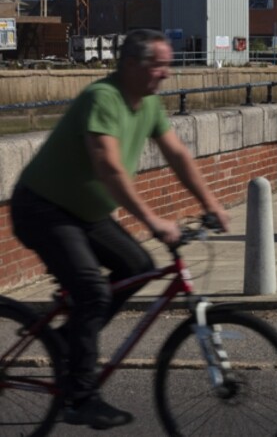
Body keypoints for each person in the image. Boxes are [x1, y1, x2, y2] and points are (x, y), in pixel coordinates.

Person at [10, 29, 231, 430]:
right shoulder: (103, 98)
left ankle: (68, 338)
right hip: (43, 209)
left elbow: (177, 153)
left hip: (86, 215)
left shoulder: (147, 105)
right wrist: (154, 221)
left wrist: (211, 203)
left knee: (137, 266)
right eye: (158, 65)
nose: (166, 73)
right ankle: (80, 398)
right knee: (93, 292)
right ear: (131, 64)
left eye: (167, 64)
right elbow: (109, 167)